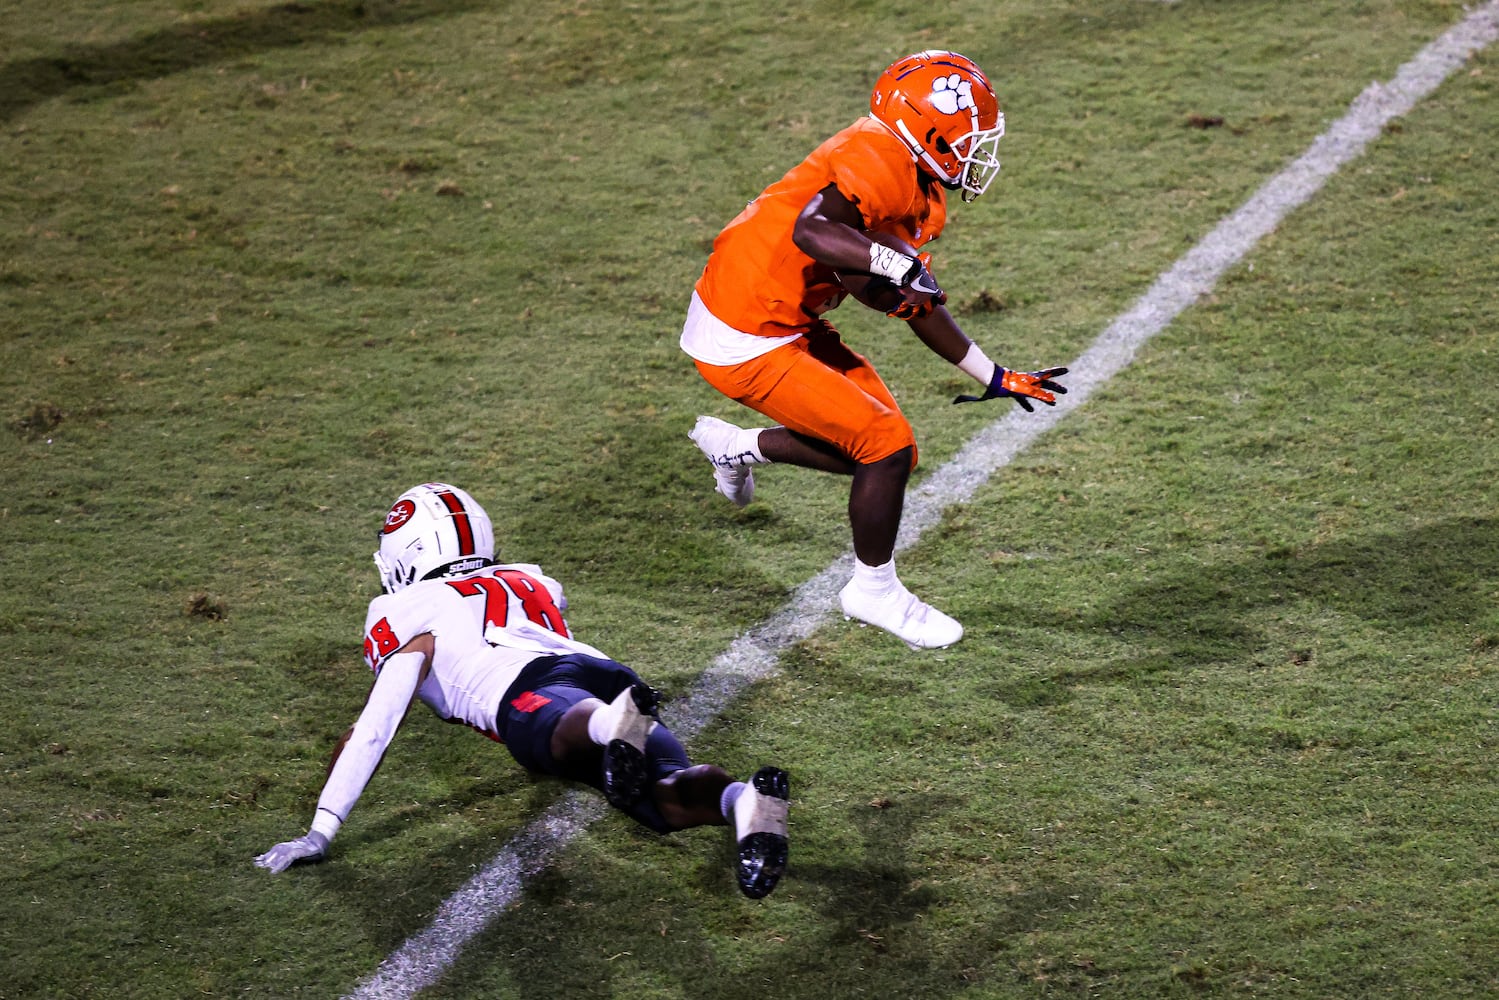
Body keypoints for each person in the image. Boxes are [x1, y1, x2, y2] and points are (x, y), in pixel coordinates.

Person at [681, 50, 1068, 650]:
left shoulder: (911, 181)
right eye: (970, 137)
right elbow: (811, 231)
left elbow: (914, 301)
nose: (978, 153)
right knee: (882, 447)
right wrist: (890, 263)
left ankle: (737, 448)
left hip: (783, 313)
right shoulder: (881, 158)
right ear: (930, 131)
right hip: (745, 330)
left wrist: (992, 375)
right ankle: (873, 591)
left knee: (894, 457)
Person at [254, 482, 790, 899]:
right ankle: (745, 800)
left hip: (544, 696)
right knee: (658, 800)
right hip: (602, 672)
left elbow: (378, 722)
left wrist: (320, 829)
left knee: (543, 739)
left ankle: (612, 724)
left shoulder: (404, 608)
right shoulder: (526, 578)